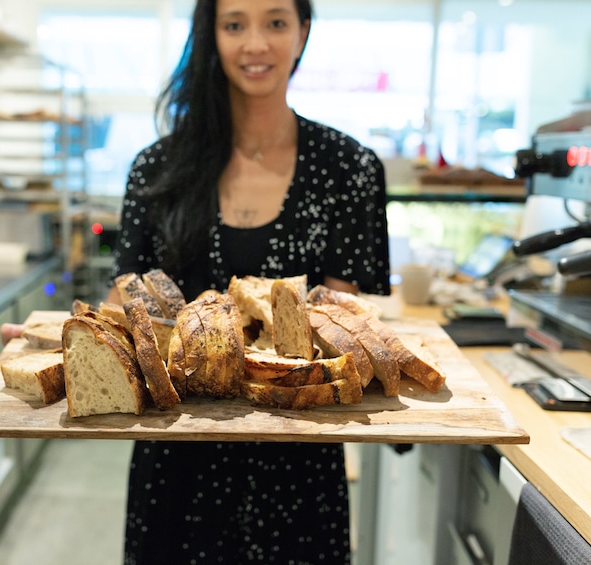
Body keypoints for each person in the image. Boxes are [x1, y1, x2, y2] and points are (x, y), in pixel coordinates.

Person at [107, 1, 391, 563]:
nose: (255, 43)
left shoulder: (349, 169)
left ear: (303, 31)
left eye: (276, 22)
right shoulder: (157, 169)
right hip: (175, 458)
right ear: (211, 35)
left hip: (300, 460)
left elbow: (341, 325)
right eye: (235, 24)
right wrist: (62, 339)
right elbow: (127, 303)